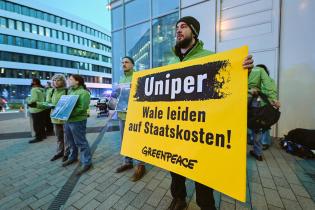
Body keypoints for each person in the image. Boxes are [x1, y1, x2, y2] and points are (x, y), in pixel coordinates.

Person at [167, 16, 255, 210]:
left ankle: (207, 206)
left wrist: (242, 72)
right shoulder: (171, 62)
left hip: (201, 129)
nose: (178, 30)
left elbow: (229, 87)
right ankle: (179, 198)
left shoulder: (210, 57)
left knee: (204, 175)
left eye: (183, 27)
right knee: (175, 169)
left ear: (194, 32)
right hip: (175, 128)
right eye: (177, 28)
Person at [115, 56, 146, 182]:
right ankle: (127, 162)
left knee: (137, 140)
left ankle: (141, 165)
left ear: (133, 64)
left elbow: (142, 94)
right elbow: (120, 96)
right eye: (122, 62)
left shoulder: (138, 76)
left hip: (134, 115)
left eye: (126, 62)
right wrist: (116, 92)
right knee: (124, 140)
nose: (124, 64)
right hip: (122, 114)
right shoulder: (122, 78)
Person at [30, 74, 70, 162]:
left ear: (63, 81)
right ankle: (60, 152)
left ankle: (67, 154)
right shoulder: (51, 91)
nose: (56, 82)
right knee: (59, 137)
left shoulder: (67, 91)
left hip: (65, 118)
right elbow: (47, 103)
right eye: (54, 80)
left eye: (58, 80)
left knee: (67, 138)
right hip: (55, 118)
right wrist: (37, 104)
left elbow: (70, 104)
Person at [248, 65, 280, 161]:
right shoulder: (261, 71)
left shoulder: (241, 68)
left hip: (242, 99)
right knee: (258, 126)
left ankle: (236, 151)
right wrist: (273, 98)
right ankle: (258, 152)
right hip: (257, 103)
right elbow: (269, 86)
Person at [62, 75, 92, 175]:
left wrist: (68, 113)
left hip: (78, 121)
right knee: (70, 141)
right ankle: (73, 157)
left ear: (77, 81)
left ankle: (87, 162)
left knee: (81, 142)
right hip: (68, 120)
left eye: (70, 79)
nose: (68, 81)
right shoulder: (71, 91)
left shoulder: (84, 93)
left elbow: (82, 109)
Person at [27, 78, 47, 143]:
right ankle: (43, 135)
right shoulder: (42, 89)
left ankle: (38, 137)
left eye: (32, 81)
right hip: (42, 107)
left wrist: (28, 101)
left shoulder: (34, 89)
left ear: (34, 82)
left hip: (35, 109)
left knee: (36, 124)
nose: (31, 82)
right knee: (41, 123)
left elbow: (34, 99)